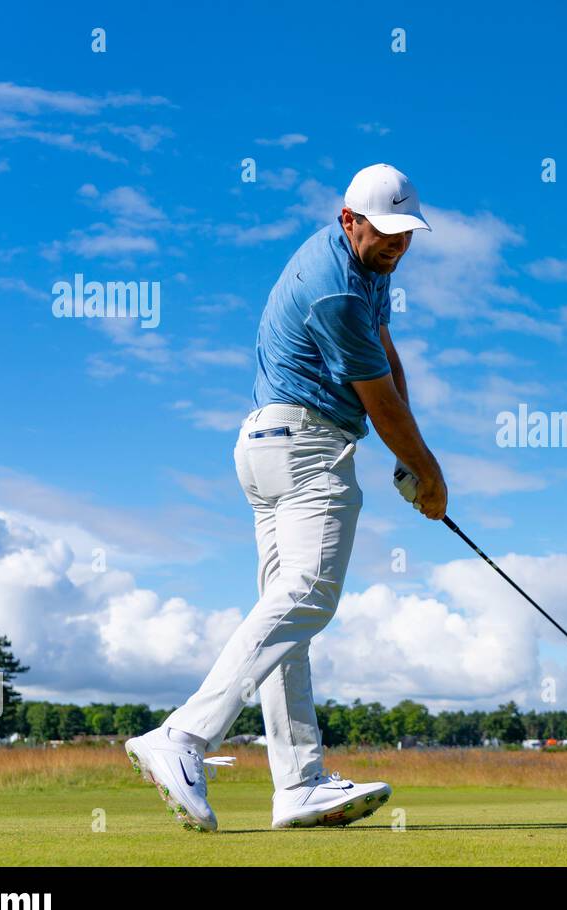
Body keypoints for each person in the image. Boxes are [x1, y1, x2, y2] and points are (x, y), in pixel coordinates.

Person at [125, 163, 447, 831]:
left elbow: (387, 355)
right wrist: (427, 471)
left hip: (268, 446)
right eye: (384, 232)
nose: (396, 245)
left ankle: (298, 784)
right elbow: (376, 397)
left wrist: (409, 460)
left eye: (406, 233)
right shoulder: (337, 292)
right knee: (309, 595)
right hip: (306, 450)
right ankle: (183, 737)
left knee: (286, 619)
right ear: (348, 220)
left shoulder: (366, 272)